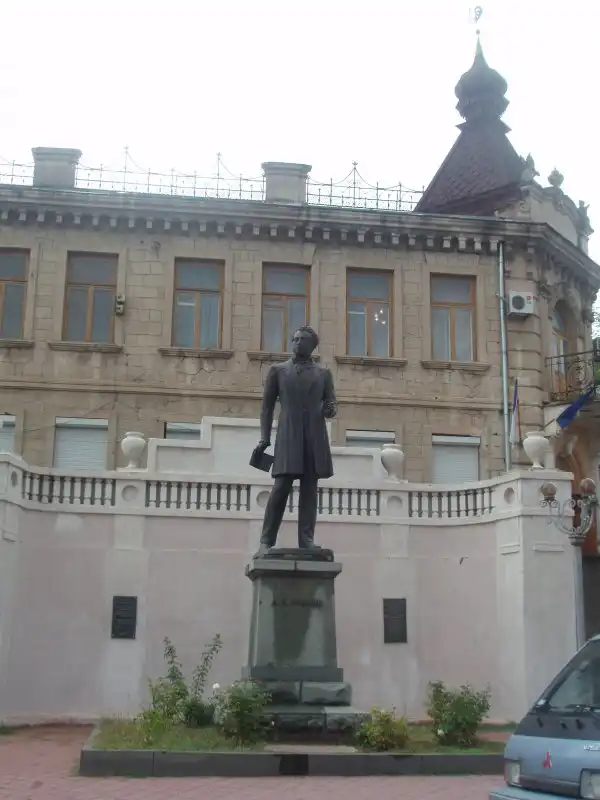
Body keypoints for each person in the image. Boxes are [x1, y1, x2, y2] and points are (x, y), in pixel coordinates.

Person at [252, 325, 337, 552]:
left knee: (309, 491)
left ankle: (306, 540)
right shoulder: (278, 371)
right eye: (296, 339)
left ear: (312, 345)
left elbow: (331, 403)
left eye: (303, 339)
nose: (298, 342)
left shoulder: (323, 374)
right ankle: (266, 540)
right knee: (280, 488)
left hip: (314, 437)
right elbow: (267, 407)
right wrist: (264, 438)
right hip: (288, 435)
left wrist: (330, 409)